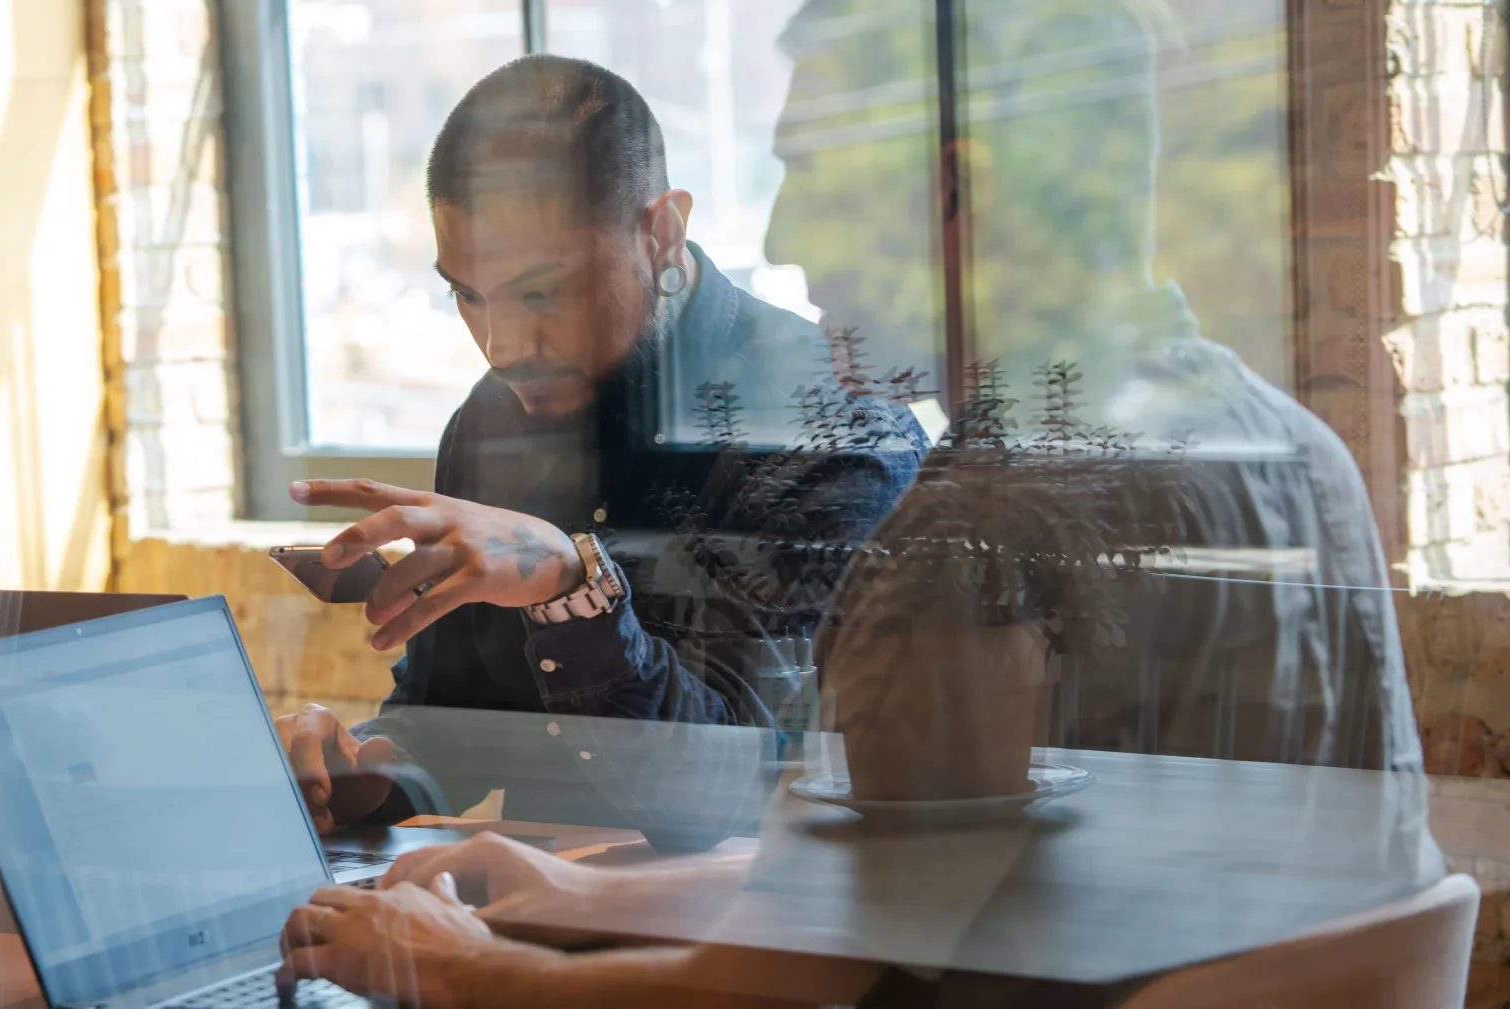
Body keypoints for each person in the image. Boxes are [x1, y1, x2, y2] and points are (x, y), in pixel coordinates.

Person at [270, 2, 1443, 1007]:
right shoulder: (1295, 456)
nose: (783, 237)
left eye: (814, 178)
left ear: (952, 189)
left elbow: (798, 976)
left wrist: (461, 974)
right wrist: (584, 891)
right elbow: (931, 867)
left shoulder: (973, 543)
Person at [275, 54, 928, 849]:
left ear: (661, 231)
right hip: (526, 929)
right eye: (467, 293)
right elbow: (459, 723)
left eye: (542, 290)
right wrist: (359, 769)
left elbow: (740, 797)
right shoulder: (488, 424)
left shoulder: (824, 425)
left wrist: (571, 589)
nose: (502, 346)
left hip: (770, 942)